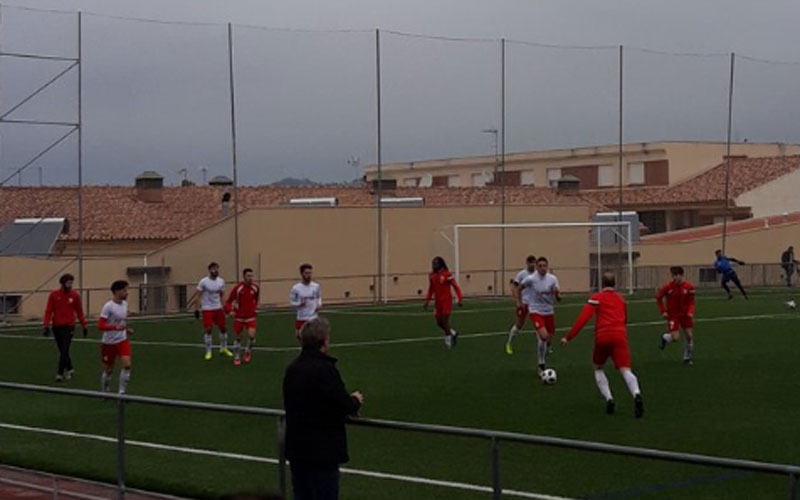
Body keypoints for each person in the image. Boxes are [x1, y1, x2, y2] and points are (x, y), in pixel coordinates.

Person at [283, 318, 364, 500]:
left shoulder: (293, 369)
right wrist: (355, 401)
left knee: (302, 494)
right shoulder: (324, 370)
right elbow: (341, 403)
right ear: (324, 341)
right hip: (321, 451)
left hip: (298, 447)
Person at [562, 272, 644, 418]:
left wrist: (569, 337)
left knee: (598, 367)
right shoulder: (621, 299)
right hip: (620, 335)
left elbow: (583, 318)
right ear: (615, 284)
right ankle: (636, 394)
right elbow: (625, 319)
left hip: (603, 336)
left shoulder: (596, 298)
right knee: (625, 369)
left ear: (602, 283)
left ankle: (609, 398)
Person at [518, 257, 561, 374]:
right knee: (543, 336)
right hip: (536, 310)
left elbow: (558, 295)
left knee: (549, 339)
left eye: (544, 266)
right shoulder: (531, 279)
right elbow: (519, 288)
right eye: (540, 266)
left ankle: (543, 353)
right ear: (537, 267)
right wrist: (519, 302)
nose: (543, 268)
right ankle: (541, 363)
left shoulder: (552, 279)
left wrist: (558, 295)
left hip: (549, 311)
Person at [43, 273, 88, 382]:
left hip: (69, 327)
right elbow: (49, 311)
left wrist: (84, 325)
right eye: (68, 282)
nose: (70, 285)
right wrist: (46, 325)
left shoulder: (75, 296)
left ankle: (60, 373)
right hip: (57, 326)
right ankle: (70, 368)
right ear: (63, 283)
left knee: (65, 349)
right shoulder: (54, 295)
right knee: (62, 350)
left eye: (71, 283)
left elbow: (79, 311)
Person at [98, 280, 133, 395]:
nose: (126, 293)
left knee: (127, 365)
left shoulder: (125, 304)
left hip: (122, 340)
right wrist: (115, 327)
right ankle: (105, 390)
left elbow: (122, 322)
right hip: (109, 342)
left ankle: (121, 393)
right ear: (117, 291)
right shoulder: (108, 306)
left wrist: (126, 329)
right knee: (109, 370)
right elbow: (101, 325)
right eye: (124, 290)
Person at [191, 262, 232, 360]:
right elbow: (197, 296)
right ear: (209, 270)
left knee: (223, 328)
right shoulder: (203, 281)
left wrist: (225, 307)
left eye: (217, 268)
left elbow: (222, 295)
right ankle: (208, 351)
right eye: (213, 269)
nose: (215, 270)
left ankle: (224, 348)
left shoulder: (221, 281)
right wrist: (196, 310)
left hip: (218, 308)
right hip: (207, 309)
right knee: (208, 329)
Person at [656, 266, 696, 365]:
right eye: (674, 275)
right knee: (675, 338)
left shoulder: (689, 287)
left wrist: (690, 311)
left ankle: (687, 357)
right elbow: (658, 298)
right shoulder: (668, 287)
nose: (676, 278)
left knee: (689, 336)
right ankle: (665, 337)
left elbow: (691, 301)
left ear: (682, 276)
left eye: (678, 275)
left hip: (685, 315)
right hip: (673, 315)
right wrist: (663, 311)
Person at [423, 256, 463, 348]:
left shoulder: (447, 274)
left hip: (446, 301)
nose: (434, 265)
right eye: (433, 263)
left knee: (445, 321)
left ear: (441, 264)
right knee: (439, 322)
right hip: (438, 303)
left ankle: (448, 341)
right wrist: (427, 301)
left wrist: (459, 299)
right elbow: (431, 289)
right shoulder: (432, 275)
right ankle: (452, 332)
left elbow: (456, 287)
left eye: (436, 263)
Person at [225, 268, 260, 366]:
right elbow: (228, 302)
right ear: (244, 277)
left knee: (252, 336)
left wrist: (255, 308)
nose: (250, 278)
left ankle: (248, 351)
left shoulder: (255, 288)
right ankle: (236, 356)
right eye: (248, 276)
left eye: (251, 276)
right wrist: (230, 311)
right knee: (238, 338)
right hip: (239, 317)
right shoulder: (238, 289)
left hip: (250, 317)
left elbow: (256, 300)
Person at [505, 255, 536, 355]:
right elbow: (514, 288)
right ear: (527, 263)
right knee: (519, 325)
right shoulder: (522, 274)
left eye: (533, 263)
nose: (532, 265)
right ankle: (509, 343)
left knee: (539, 326)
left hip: (535, 305)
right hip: (524, 304)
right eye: (530, 263)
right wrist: (518, 302)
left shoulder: (538, 274)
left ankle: (545, 347)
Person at [290, 264, 322, 341]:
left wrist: (319, 304)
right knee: (300, 338)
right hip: (301, 318)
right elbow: (292, 303)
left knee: (315, 339)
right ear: (302, 274)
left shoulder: (316, 286)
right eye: (306, 273)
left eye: (310, 273)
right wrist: (299, 304)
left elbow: (319, 297)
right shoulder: (296, 288)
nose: (309, 275)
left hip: (313, 317)